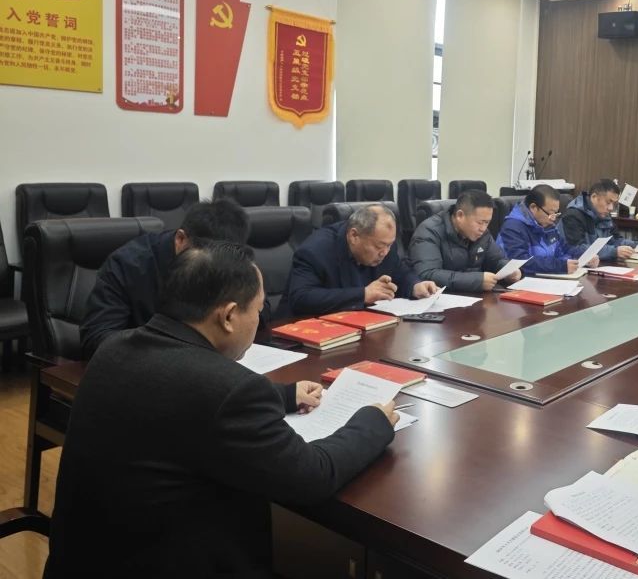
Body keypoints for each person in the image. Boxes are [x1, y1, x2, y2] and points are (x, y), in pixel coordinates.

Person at [45, 242, 398, 578]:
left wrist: (285, 396)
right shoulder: (227, 390)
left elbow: (178, 401)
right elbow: (312, 476)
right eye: (257, 310)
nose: (259, 321)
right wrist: (372, 422)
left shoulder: (114, 348)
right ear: (228, 316)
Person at [80, 198, 253, 359]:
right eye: (204, 257)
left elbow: (258, 307)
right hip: (142, 366)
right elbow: (97, 339)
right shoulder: (128, 264)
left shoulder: (230, 260)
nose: (211, 266)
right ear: (181, 239)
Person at [282, 204, 437, 317]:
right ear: (354, 236)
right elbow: (302, 298)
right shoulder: (316, 250)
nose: (385, 252)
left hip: (361, 326)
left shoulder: (384, 243)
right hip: (306, 333)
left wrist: (415, 285)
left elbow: (400, 270)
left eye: (389, 245)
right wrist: (362, 294)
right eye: (379, 246)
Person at [408, 189, 521, 291]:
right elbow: (427, 274)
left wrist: (509, 270)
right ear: (460, 216)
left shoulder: (482, 234)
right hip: (444, 298)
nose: (483, 228)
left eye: (487, 222)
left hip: (475, 297)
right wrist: (477, 281)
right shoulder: (429, 231)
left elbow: (496, 260)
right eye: (480, 222)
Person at [496, 184, 597, 276]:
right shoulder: (513, 227)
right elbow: (520, 261)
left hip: (546, 278)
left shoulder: (547, 224)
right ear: (533, 207)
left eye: (556, 213)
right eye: (550, 213)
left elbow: (564, 248)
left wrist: (584, 256)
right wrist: (560, 266)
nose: (553, 219)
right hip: (521, 282)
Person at [559, 179, 636, 261]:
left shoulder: (604, 214)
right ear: (594, 197)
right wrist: (614, 252)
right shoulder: (573, 215)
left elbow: (615, 239)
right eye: (608, 202)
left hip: (596, 263)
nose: (611, 208)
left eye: (614, 203)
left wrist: (634, 245)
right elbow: (578, 249)